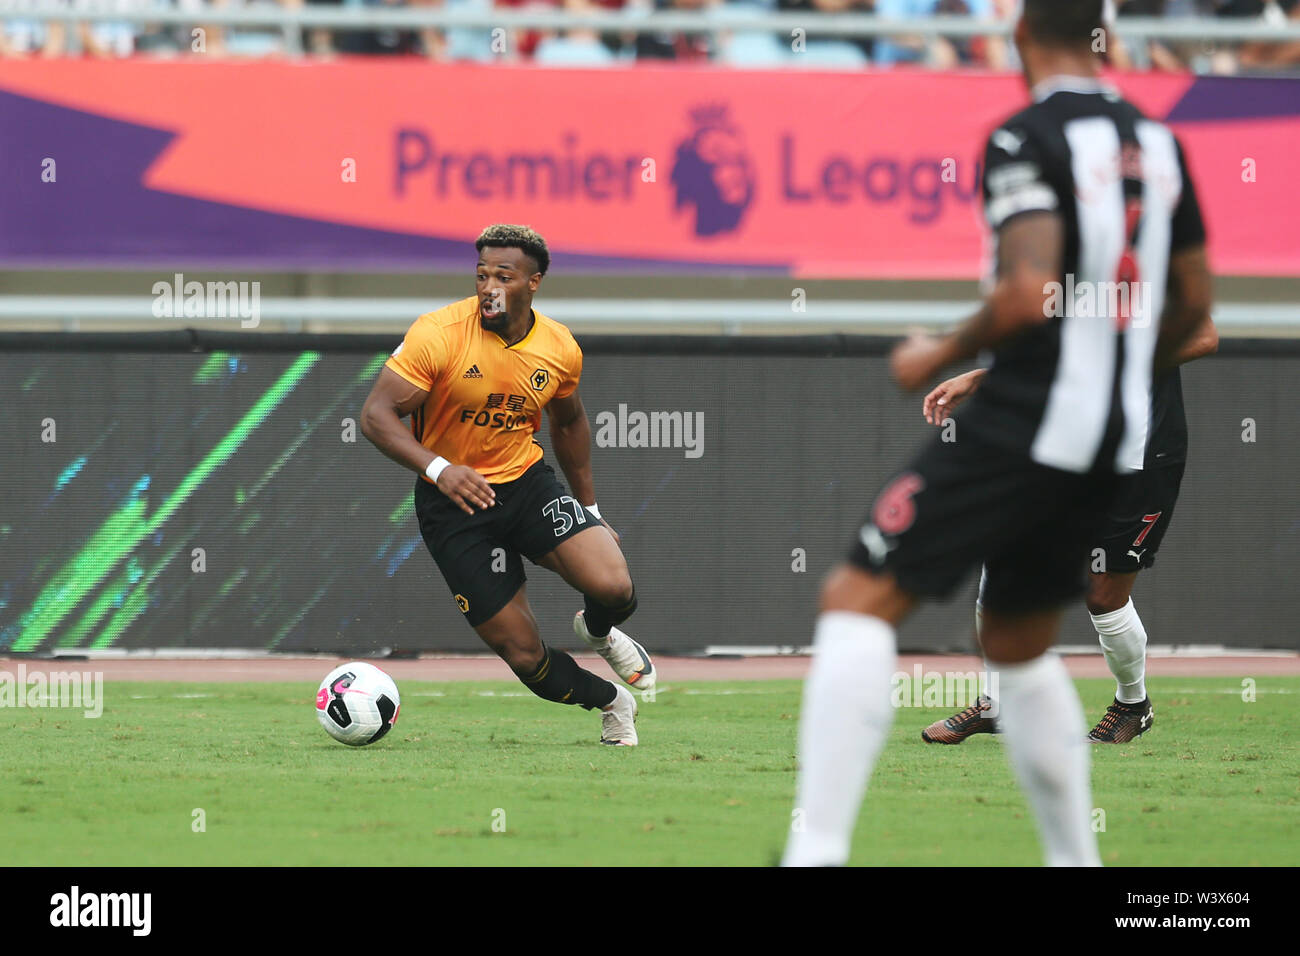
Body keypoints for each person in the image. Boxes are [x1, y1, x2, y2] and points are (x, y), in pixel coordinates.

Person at [783, 0, 1212, 866]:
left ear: (1018, 38)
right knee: (1017, 643)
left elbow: (1023, 292)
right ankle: (1074, 859)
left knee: (854, 601)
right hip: (1116, 436)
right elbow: (1195, 308)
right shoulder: (1163, 147)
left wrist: (936, 351)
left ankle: (814, 853)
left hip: (1035, 423)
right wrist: (1106, 369)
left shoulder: (1023, 136)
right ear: (1108, 38)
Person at [360, 224, 655, 746]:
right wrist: (439, 469)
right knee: (524, 655)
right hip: (453, 503)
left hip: (524, 485)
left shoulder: (559, 346)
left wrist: (589, 506)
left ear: (533, 282)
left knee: (615, 585)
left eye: (504, 275)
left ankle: (598, 630)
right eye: (481, 275)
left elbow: (569, 423)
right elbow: (376, 415)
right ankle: (613, 701)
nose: (488, 286)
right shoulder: (439, 333)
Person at [918, 297, 1218, 745]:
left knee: (1103, 593)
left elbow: (1203, 336)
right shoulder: (1058, 272)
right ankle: (998, 701)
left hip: (1138, 455)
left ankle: (1133, 704)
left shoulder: (1147, 257)